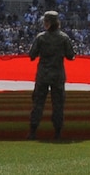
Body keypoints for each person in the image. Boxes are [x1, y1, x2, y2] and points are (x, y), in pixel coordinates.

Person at [27, 10, 75, 140]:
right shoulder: (64, 38)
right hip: (57, 75)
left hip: (43, 75)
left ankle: (32, 132)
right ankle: (58, 133)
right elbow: (71, 56)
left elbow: (32, 55)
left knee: (38, 104)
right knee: (58, 105)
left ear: (49, 23)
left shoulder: (41, 37)